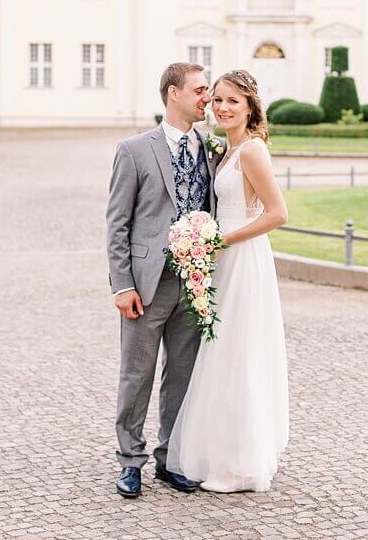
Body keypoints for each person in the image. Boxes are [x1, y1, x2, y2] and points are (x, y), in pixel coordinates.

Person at [166, 69, 290, 492]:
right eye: (217, 99)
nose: (221, 107)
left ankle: (243, 462)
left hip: (244, 258)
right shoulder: (225, 150)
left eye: (233, 101)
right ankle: (224, 450)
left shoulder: (252, 150)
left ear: (251, 106)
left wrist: (220, 239)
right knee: (223, 353)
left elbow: (277, 213)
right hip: (224, 259)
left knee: (240, 353)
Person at [106, 62, 219, 498]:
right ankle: (129, 461)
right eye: (200, 90)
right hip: (146, 283)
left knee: (182, 375)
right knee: (137, 374)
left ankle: (170, 458)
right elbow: (117, 223)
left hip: (194, 282)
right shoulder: (134, 149)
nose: (206, 98)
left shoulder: (210, 148)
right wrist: (123, 285)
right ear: (173, 93)